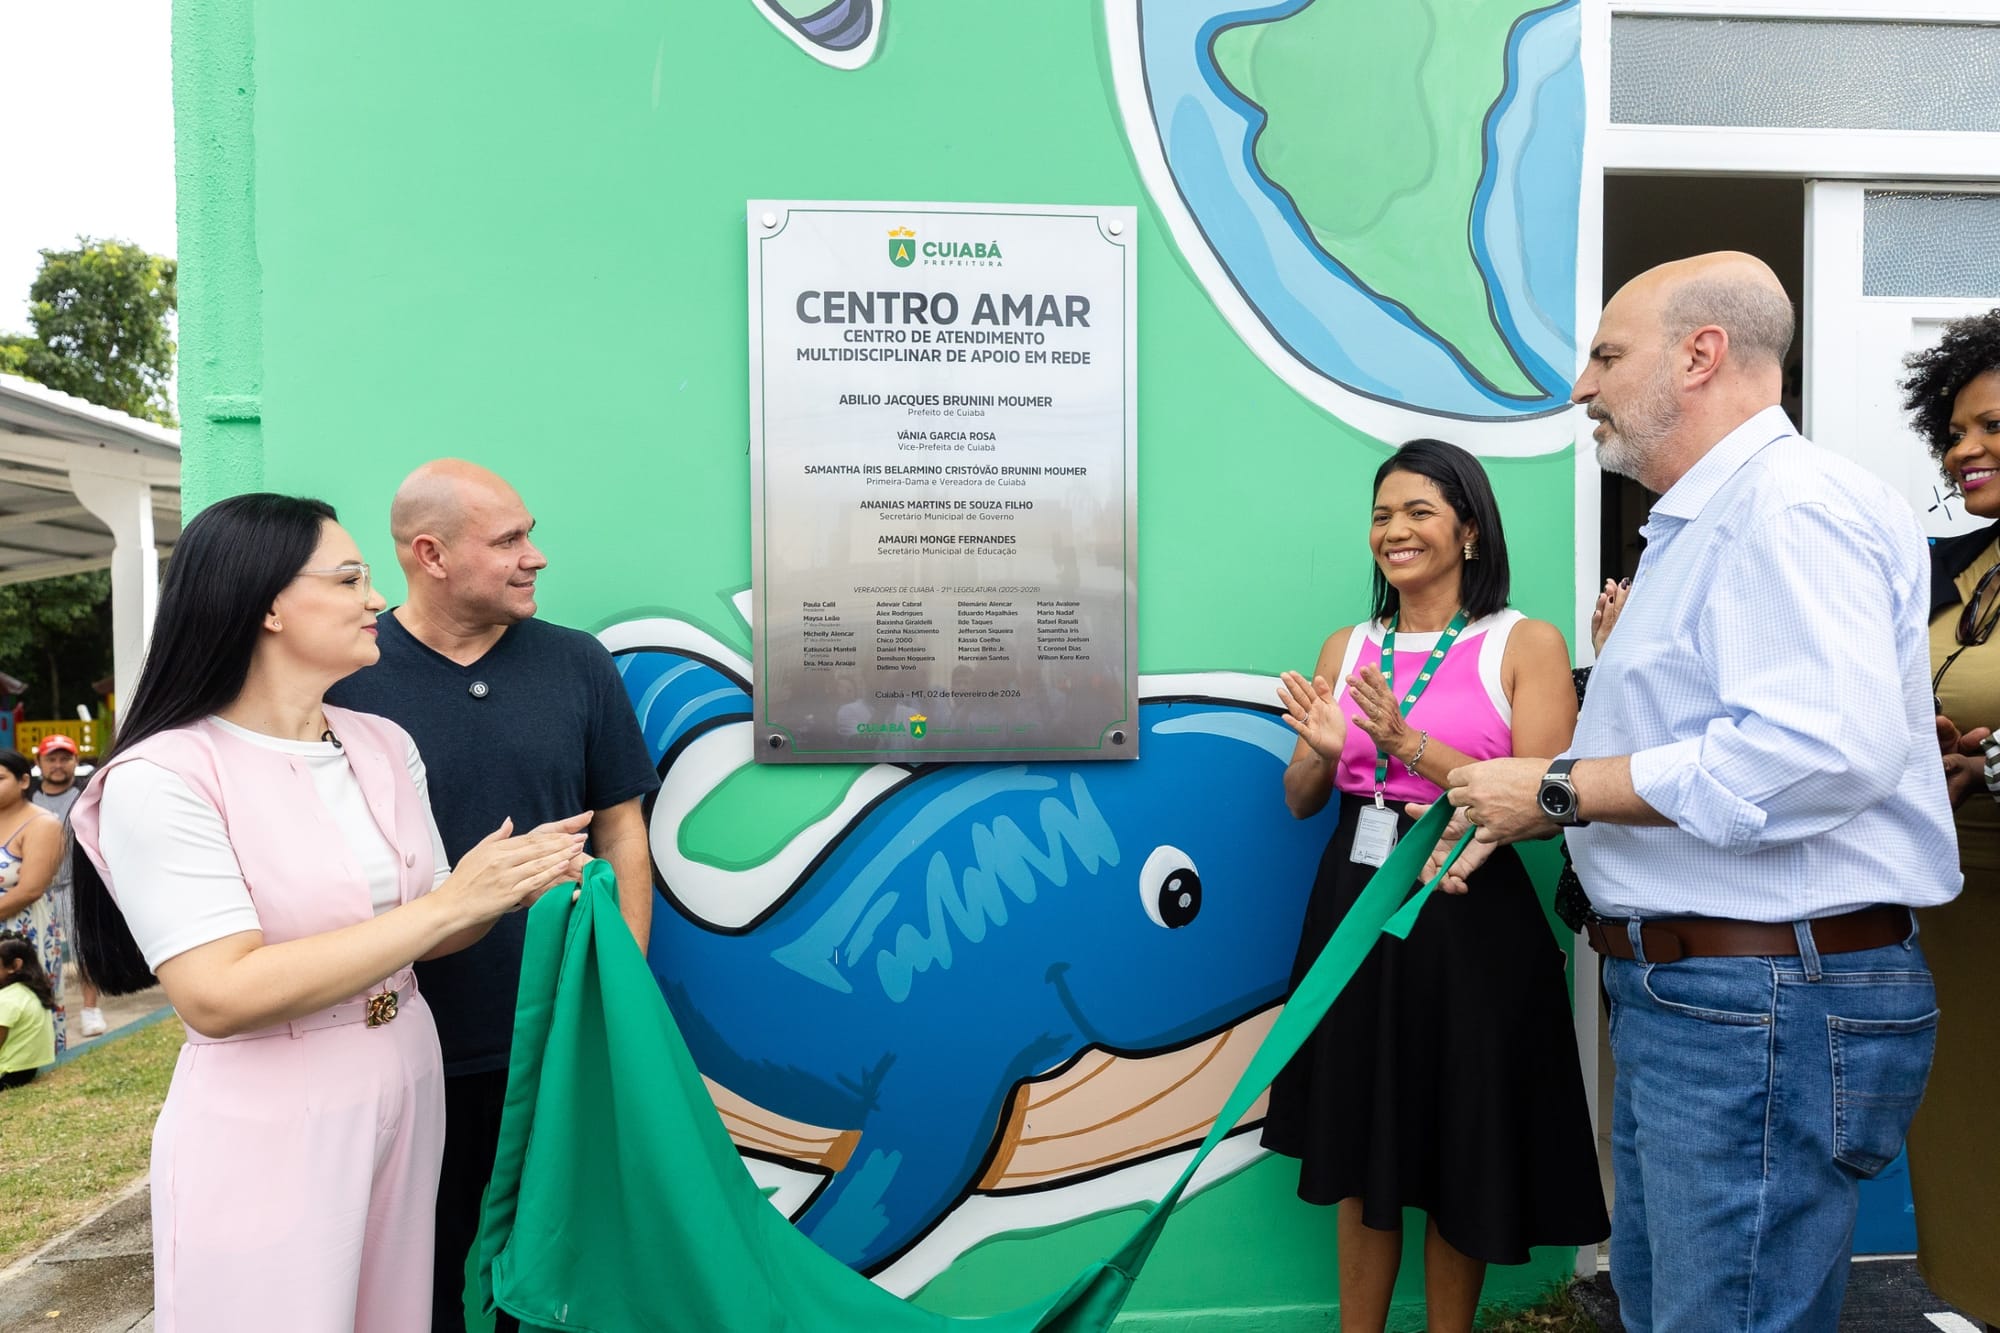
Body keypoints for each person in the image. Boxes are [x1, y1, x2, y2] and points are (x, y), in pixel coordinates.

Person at [1443, 252, 1956, 1333]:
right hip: (1723, 999)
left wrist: (1558, 791)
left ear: (1699, 354)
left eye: (1605, 354)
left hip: (1754, 1000)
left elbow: (1818, 749)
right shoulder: (1714, 519)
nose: (1581, 386)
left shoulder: (1784, 510)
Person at [67, 492, 590, 1331]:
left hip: (408, 1075)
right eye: (348, 577)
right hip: (273, 1110)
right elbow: (217, 993)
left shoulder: (381, 743)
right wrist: (451, 903)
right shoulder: (163, 776)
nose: (375, 598)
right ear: (267, 604)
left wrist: (509, 884)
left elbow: (439, 925)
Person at [1260, 438, 1607, 1333]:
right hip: (1357, 902)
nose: (1394, 530)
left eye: (1417, 511)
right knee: (1359, 1137)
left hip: (1468, 915)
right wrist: (1331, 752)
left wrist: (1410, 747)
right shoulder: (1351, 644)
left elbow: (1546, 795)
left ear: (1471, 531)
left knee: (1462, 1141)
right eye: (1381, 514)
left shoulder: (1523, 642)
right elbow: (1302, 801)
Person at [324, 459, 659, 1333]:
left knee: (554, 1277)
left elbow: (623, 831)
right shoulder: (346, 677)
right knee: (429, 1279)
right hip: (406, 1046)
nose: (535, 557)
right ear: (430, 554)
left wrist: (617, 987)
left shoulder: (578, 663)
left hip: (555, 1040)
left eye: (528, 533)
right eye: (508, 539)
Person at [1896, 309, 2000, 1331]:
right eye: (1953, 430)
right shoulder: (1948, 568)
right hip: (1959, 918)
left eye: (1991, 427)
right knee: (1974, 1150)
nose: (1964, 449)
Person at [32, 733, 103, 1037]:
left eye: (65, 758)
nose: (58, 765)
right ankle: (41, 1013)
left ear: (75, 761)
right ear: (40, 763)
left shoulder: (87, 794)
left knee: (84, 949)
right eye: (52, 759)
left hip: (76, 885)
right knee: (34, 953)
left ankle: (90, 1009)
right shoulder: (28, 797)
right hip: (37, 889)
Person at [0, 749, 64, 1054]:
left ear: (24, 780)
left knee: (24, 1002)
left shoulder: (42, 824)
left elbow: (30, 889)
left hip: (22, 932)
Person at [0, 933, 58, 1088]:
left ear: (15, 966)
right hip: (26, 1070)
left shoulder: (6, 999)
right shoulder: (31, 991)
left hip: (7, 1073)